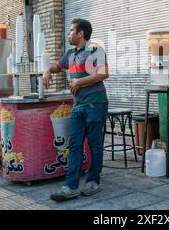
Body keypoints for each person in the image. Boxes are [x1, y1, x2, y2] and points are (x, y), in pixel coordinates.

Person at [43, 18, 109, 201]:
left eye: (71, 30)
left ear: (81, 33)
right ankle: (70, 186)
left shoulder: (96, 50)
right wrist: (48, 70)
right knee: (74, 145)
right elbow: (58, 66)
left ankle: (93, 181)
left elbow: (104, 73)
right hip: (78, 105)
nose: (68, 33)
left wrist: (79, 81)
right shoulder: (70, 54)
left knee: (95, 145)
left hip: (95, 104)